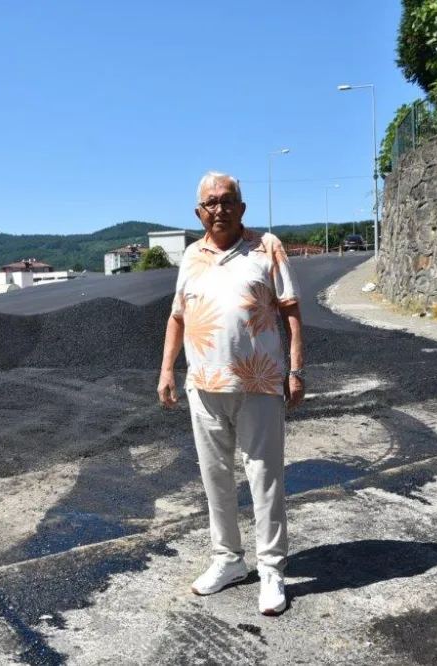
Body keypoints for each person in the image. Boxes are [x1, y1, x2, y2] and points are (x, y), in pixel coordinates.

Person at [157, 171, 305, 616]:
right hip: (203, 384)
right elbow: (178, 316)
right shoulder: (191, 256)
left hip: (258, 382)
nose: (218, 209)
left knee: (264, 476)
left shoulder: (267, 247)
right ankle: (228, 559)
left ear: (241, 208)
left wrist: (296, 370)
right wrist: (167, 370)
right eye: (210, 202)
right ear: (198, 212)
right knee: (214, 476)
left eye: (226, 201)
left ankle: (271, 568)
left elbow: (291, 311)